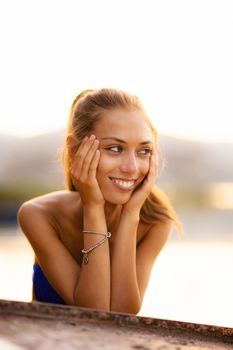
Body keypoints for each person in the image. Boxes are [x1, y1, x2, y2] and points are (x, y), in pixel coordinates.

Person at [18, 88, 181, 314]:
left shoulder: (156, 220)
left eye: (143, 151)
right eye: (115, 149)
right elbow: (93, 311)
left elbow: (122, 314)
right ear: (76, 150)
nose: (132, 168)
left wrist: (130, 215)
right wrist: (93, 208)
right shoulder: (39, 215)